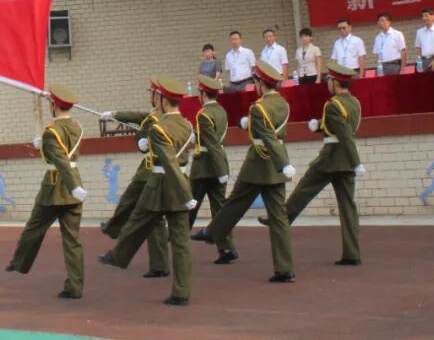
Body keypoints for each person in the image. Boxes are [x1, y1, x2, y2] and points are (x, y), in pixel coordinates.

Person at [100, 76, 197, 307]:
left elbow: (169, 163)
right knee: (181, 243)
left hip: (161, 184)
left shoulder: (158, 128)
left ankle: (118, 255)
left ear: (163, 101)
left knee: (137, 219)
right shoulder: (188, 125)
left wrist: (186, 196)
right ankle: (181, 292)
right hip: (182, 182)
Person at [263, 61, 364, 266]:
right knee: (348, 207)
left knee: (304, 189)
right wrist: (319, 125)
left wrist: (357, 162)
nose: (328, 83)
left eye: (329, 80)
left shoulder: (333, 104)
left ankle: (281, 219)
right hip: (345, 161)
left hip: (331, 158)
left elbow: (344, 135)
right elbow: (341, 126)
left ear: (335, 82)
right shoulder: (355, 103)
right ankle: (352, 254)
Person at [206, 61, 297, 282]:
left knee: (235, 201)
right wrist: (249, 124)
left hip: (259, 162)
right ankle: (284, 268)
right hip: (276, 165)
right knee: (279, 218)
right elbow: (272, 129)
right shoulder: (283, 104)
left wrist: (283, 162)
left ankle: (213, 233)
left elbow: (266, 136)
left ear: (260, 83)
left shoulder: (258, 107)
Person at [7, 84, 88, 300]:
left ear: (54, 106)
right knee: (72, 241)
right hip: (74, 185)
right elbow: (63, 151)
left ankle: (19, 262)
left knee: (33, 229)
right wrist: (42, 144)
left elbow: (60, 160)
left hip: (55, 187)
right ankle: (75, 286)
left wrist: (72, 186)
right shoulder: (77, 126)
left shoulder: (51, 132)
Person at [98, 79, 170, 279]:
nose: (151, 97)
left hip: (149, 171)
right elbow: (138, 116)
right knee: (155, 220)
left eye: (153, 94)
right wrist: (115, 114)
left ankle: (114, 230)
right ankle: (159, 265)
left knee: (131, 204)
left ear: (158, 97)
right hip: (157, 171)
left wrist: (141, 141)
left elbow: (143, 127)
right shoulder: (162, 117)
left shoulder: (156, 119)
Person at [188, 75, 234, 260]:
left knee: (189, 205)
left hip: (204, 166)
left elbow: (211, 143)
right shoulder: (222, 111)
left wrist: (220, 170)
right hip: (219, 162)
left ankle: (177, 241)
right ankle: (227, 248)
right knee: (220, 209)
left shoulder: (203, 114)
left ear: (203, 94)